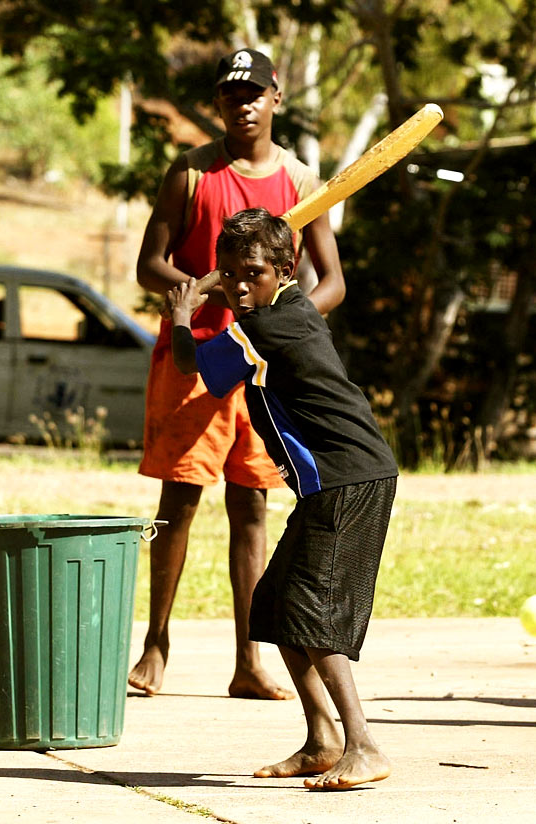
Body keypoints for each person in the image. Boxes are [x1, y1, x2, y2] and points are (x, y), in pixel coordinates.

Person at [131, 48, 345, 698]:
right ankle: (155, 645)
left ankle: (249, 660)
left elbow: (329, 281)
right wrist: (207, 293)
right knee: (179, 499)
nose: (242, 103)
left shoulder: (304, 184)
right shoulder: (191, 174)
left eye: (254, 92)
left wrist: (286, 318)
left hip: (263, 363)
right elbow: (150, 265)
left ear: (276, 98)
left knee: (251, 504)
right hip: (193, 359)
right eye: (230, 94)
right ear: (218, 104)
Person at [164, 208, 396, 789]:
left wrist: (183, 317)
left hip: (348, 479)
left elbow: (191, 364)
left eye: (253, 274)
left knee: (312, 613)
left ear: (285, 270)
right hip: (330, 483)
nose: (241, 285)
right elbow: (242, 300)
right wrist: (225, 277)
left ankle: (363, 746)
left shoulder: (268, 325)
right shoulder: (284, 308)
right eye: (230, 274)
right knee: (276, 607)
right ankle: (323, 739)